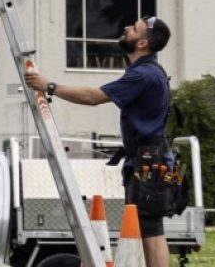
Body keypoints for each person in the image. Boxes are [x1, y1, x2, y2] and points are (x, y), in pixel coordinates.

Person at [24, 16, 173, 267]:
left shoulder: (144, 75)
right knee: (149, 228)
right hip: (147, 158)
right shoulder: (146, 71)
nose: (126, 28)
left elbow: (93, 97)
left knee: (150, 231)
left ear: (142, 43)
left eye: (134, 28)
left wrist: (49, 86)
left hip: (148, 159)